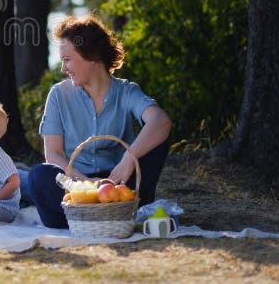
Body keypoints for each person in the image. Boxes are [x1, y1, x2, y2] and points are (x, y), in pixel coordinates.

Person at [28, 15, 172, 229]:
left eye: (67, 59)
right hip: (76, 191)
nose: (63, 69)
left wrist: (128, 160)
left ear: (92, 56)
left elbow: (161, 121)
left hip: (120, 184)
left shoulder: (126, 92)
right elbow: (54, 154)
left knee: (158, 137)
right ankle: (109, 217)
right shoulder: (58, 95)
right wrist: (87, 184)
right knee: (38, 175)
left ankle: (113, 213)